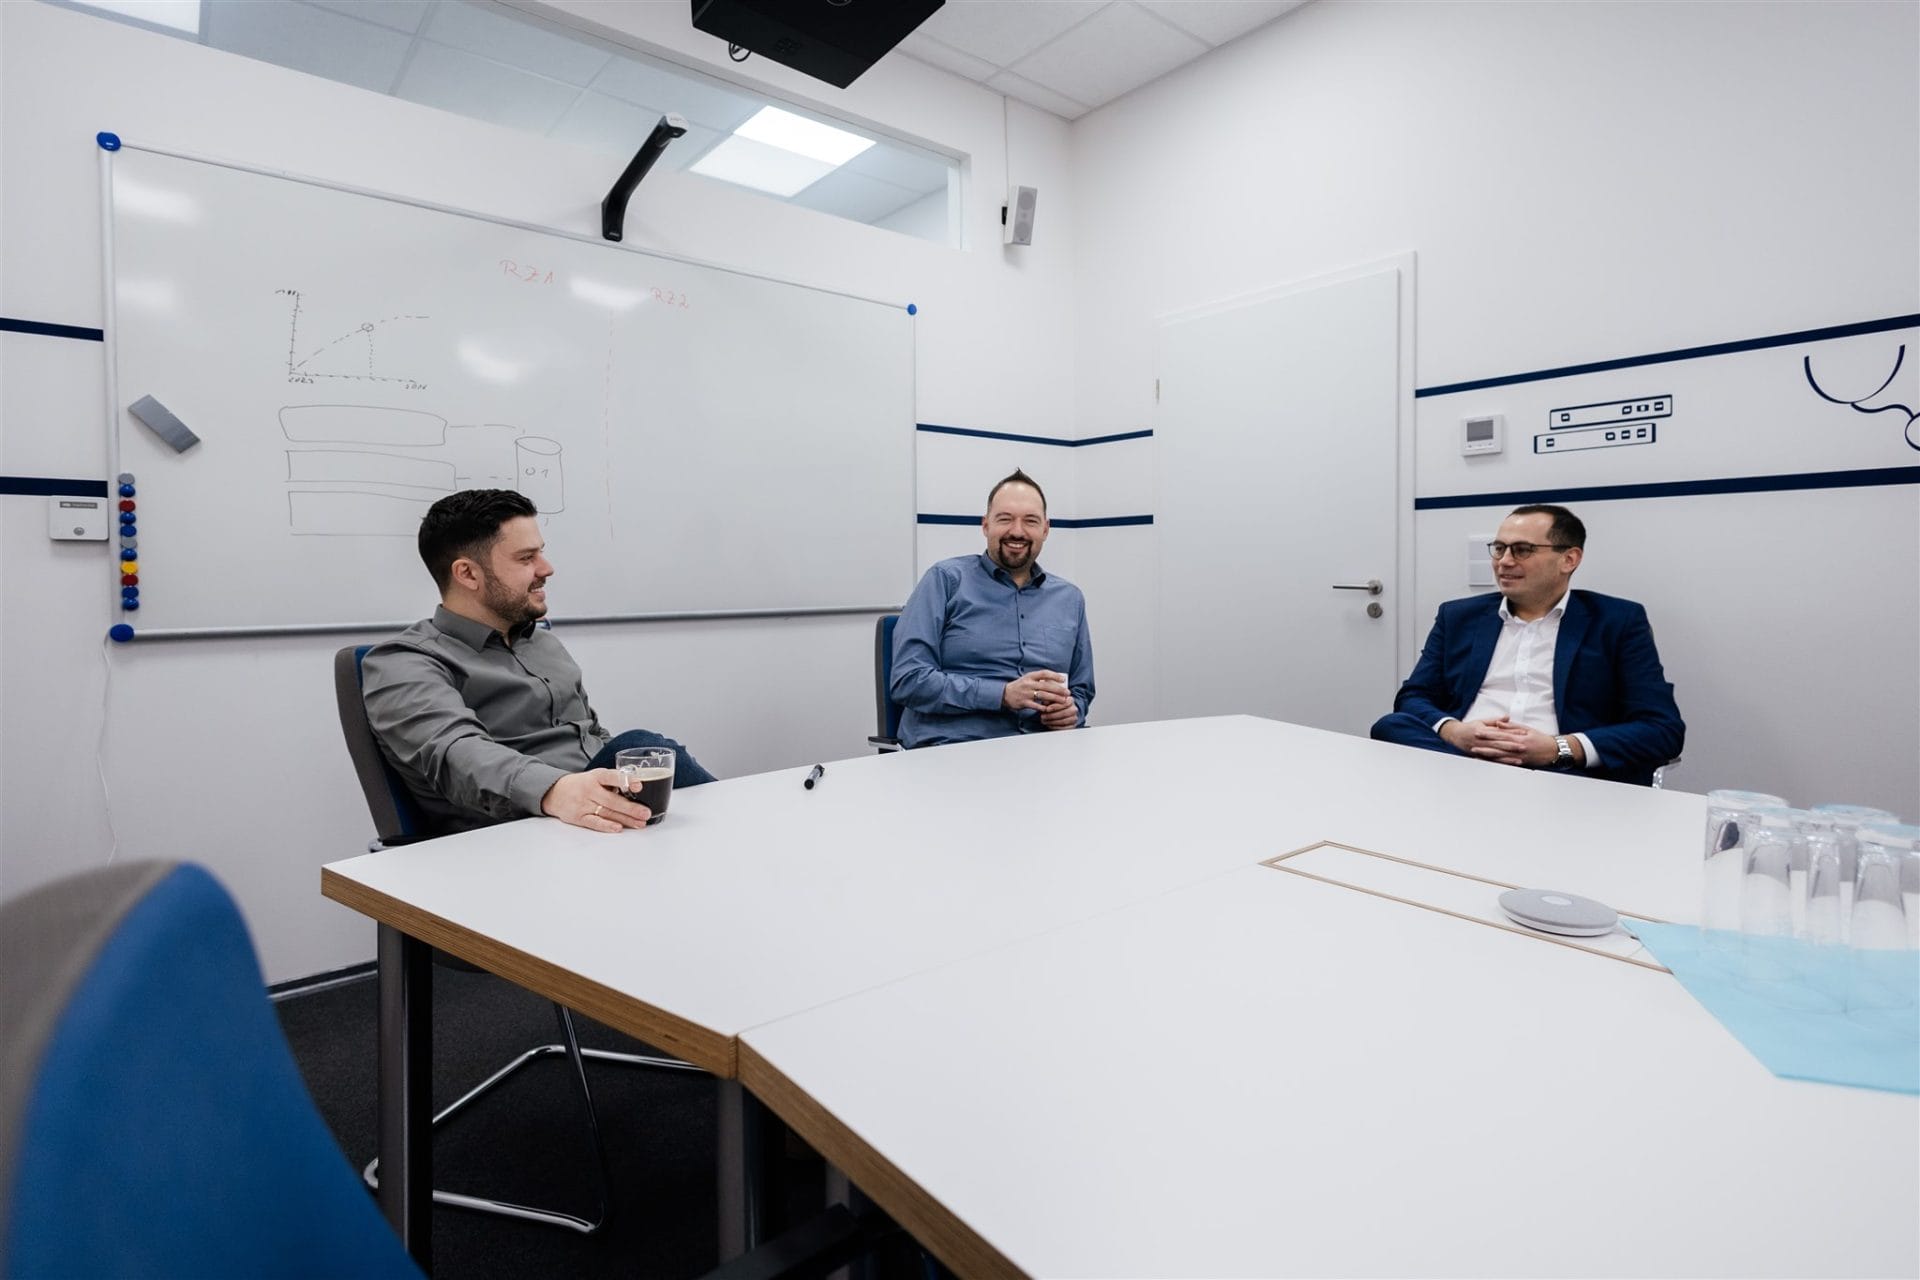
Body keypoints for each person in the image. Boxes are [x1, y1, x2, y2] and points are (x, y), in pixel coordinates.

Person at [362, 488, 714, 834]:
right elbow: (457, 754)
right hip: (516, 831)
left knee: (648, 758)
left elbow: (589, 734)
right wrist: (556, 790)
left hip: (592, 820)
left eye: (540, 553)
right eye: (526, 558)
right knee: (639, 745)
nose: (546, 568)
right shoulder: (404, 662)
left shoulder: (542, 643)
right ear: (468, 574)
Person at [1369, 503, 1683, 785]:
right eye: (1499, 549)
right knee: (1391, 725)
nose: (1504, 561)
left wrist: (1559, 748)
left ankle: (1479, 788)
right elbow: (1414, 696)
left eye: (1522, 550)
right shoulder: (1458, 616)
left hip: (1557, 771)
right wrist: (1455, 732)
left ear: (1569, 559)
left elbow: (1662, 729)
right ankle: (1480, 783)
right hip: (1463, 755)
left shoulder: (1618, 621)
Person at [890, 469, 1094, 749]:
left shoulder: (1070, 599)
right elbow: (908, 680)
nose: (1017, 531)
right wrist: (1002, 695)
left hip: (1043, 750)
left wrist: (1072, 712)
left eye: (1030, 521)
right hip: (954, 749)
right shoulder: (945, 581)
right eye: (1005, 519)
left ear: (1046, 529)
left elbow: (1081, 690)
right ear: (986, 525)